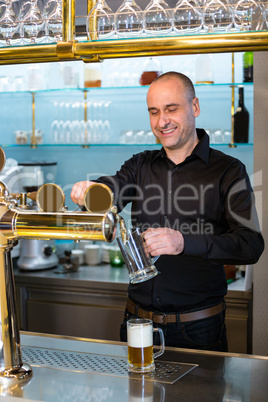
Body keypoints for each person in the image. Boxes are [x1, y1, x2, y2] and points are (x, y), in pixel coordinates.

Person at [71, 72, 264, 352]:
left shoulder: (228, 171)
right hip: (137, 324)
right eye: (154, 112)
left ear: (194, 107)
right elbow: (112, 189)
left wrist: (184, 242)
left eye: (171, 109)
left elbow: (251, 245)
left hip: (198, 329)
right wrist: (91, 191)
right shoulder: (139, 165)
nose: (162, 121)